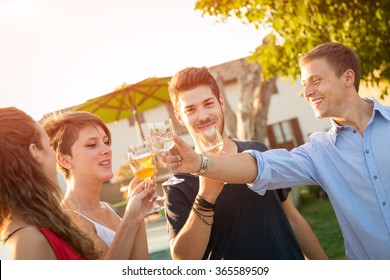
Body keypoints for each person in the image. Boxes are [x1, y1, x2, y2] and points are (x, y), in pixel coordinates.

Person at [165, 43, 390, 260]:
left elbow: (292, 219)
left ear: (348, 78)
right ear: (180, 117)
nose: (307, 92)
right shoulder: (318, 151)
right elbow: (261, 165)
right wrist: (201, 168)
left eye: (316, 80)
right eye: (304, 84)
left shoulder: (261, 148)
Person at [164, 66, 327, 259]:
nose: (203, 116)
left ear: (221, 102)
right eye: (190, 110)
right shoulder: (177, 184)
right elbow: (183, 259)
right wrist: (206, 196)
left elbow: (292, 219)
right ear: (180, 117)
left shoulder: (257, 152)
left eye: (208, 104)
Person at [42, 111, 155, 260]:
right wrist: (131, 217)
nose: (107, 150)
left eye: (106, 142)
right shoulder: (68, 219)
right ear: (65, 160)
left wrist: (139, 215)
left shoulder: (108, 208)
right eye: (92, 145)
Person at [0, 107, 100, 259]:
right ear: (35, 152)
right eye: (50, 146)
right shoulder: (27, 242)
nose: (54, 156)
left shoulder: (39, 225)